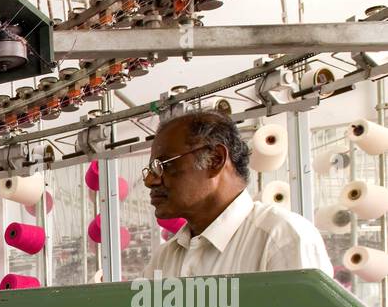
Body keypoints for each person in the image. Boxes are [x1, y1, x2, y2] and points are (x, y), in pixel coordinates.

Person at [141, 111, 332, 278]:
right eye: (150, 169)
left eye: (163, 165)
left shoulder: (281, 240)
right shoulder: (166, 257)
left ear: (215, 160)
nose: (150, 180)